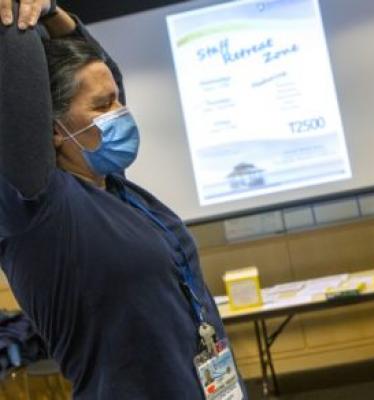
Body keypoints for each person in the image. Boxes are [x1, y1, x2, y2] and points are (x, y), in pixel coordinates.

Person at [0, 1, 246, 399]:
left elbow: (104, 72)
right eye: (102, 105)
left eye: (117, 99)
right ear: (54, 129)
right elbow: (19, 101)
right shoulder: (40, 207)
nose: (120, 111)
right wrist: (16, 17)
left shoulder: (114, 187)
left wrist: (52, 13)